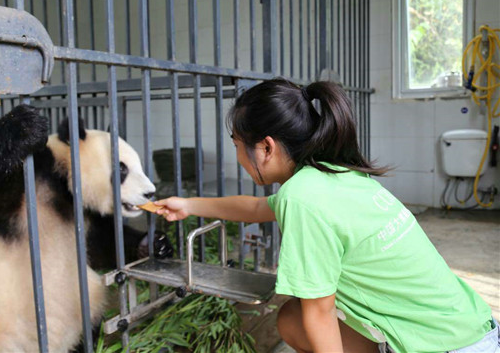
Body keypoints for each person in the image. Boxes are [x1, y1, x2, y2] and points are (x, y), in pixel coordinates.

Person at [154, 79, 499, 353]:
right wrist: (189, 204)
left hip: (447, 348)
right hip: (470, 327)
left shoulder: (303, 198)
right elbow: (259, 208)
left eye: (237, 146)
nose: (238, 157)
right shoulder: (330, 173)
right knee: (291, 318)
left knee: (307, 316)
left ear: (267, 147)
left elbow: (319, 312)